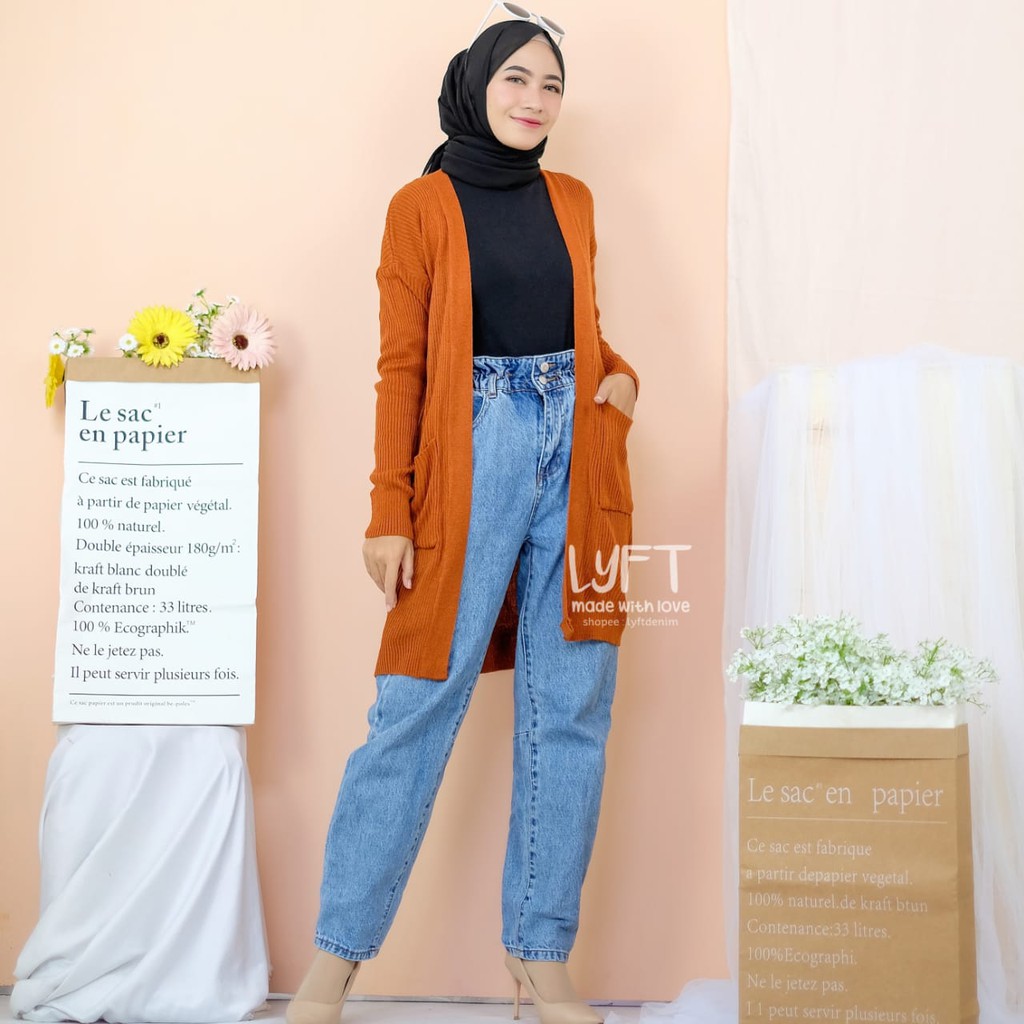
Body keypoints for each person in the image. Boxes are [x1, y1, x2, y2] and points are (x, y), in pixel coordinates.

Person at [287, 13, 639, 1024]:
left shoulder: (572, 199)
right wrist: (386, 508)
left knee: (572, 705)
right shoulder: (420, 207)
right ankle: (333, 966)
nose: (535, 99)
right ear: (476, 85)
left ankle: (540, 960)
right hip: (470, 449)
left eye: (551, 84)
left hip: (580, 455)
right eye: (516, 77)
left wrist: (618, 384)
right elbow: (402, 366)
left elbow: (584, 327)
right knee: (413, 704)